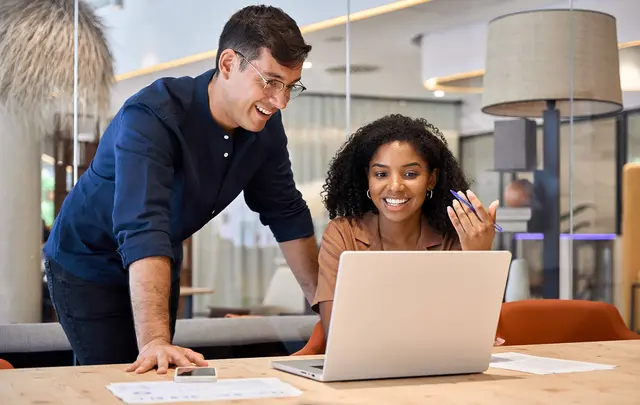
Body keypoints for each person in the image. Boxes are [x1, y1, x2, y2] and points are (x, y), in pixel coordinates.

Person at [43, 5, 319, 373]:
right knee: (119, 373)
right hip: (89, 259)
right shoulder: (152, 117)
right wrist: (155, 340)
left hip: (160, 256)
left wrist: (327, 310)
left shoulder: (265, 128)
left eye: (289, 86)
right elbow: (144, 227)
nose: (280, 101)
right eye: (270, 81)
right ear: (227, 64)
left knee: (161, 372)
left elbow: (286, 213)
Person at [295, 114, 499, 355]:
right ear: (367, 179)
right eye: (381, 174)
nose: (395, 186)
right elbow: (336, 336)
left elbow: (474, 332)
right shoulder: (343, 234)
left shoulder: (453, 236)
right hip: (363, 372)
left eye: (410, 174)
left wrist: (478, 257)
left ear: (431, 180)